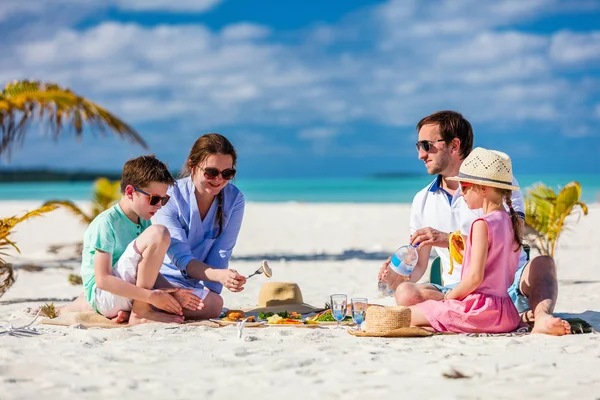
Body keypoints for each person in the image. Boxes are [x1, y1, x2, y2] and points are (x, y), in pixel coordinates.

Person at [380, 110, 570, 335]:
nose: (421, 154)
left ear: (454, 145)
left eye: (427, 145)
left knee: (543, 264)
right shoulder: (422, 199)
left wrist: (449, 239)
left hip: (508, 282)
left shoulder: (497, 184)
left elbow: (513, 235)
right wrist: (399, 277)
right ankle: (510, 315)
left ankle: (541, 317)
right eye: (418, 146)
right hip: (455, 288)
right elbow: (420, 264)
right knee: (404, 292)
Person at [61, 155, 204, 325]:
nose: (159, 206)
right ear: (130, 192)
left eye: (164, 199)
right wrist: (151, 297)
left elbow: (146, 269)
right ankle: (141, 312)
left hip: (131, 291)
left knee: (212, 306)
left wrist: (174, 292)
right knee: (159, 232)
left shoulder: (143, 220)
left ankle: (133, 311)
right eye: (154, 199)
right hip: (105, 296)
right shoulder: (106, 222)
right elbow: (103, 280)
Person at [408, 147, 522, 332]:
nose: (461, 193)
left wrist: (449, 297)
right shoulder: (511, 222)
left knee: (410, 313)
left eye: (465, 187)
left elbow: (474, 278)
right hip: (507, 313)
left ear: (483, 188)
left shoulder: (481, 224)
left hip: (481, 312)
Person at [153, 133, 246, 319]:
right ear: (192, 166)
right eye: (211, 172)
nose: (219, 179)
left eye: (227, 173)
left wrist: (218, 286)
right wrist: (219, 275)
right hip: (157, 280)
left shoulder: (235, 199)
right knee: (211, 306)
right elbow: (181, 258)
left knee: (215, 304)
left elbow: (222, 251)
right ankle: (146, 305)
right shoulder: (170, 196)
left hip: (192, 284)